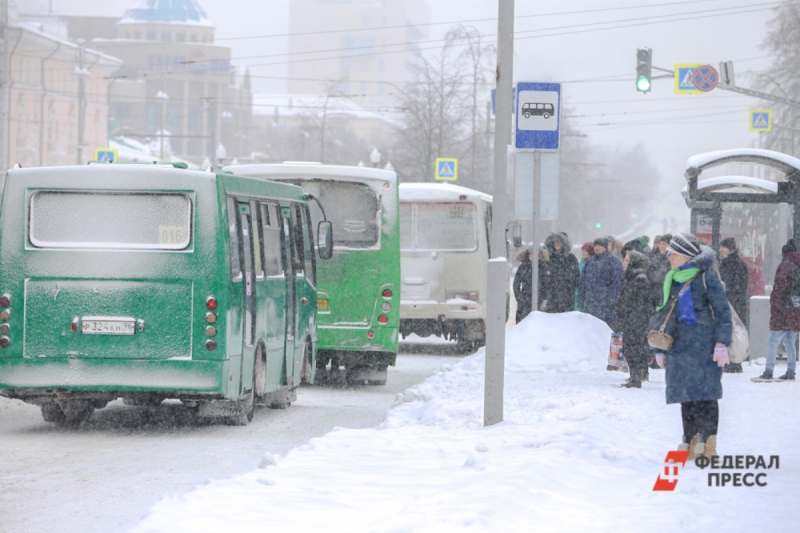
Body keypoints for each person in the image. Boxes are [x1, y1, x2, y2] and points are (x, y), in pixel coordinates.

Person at [653, 233, 732, 459]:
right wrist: (659, 348)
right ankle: (690, 441)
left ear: (686, 256)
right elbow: (665, 315)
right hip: (679, 348)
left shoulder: (707, 278)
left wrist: (721, 342)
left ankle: (708, 445)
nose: (670, 257)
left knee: (706, 396)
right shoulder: (673, 278)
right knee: (685, 396)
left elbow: (722, 312)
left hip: (705, 347)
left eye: (674, 253)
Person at [751, 239, 800, 382]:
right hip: (796, 307)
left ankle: (768, 372)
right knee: (791, 340)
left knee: (772, 341)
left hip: (784, 309)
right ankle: (791, 372)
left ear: (784, 253)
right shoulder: (797, 264)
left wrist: (774, 302)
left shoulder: (785, 265)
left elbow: (779, 287)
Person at [617, 250, 659, 388]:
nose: (624, 263)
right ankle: (634, 376)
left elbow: (641, 303)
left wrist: (633, 317)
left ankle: (636, 378)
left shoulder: (640, 279)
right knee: (631, 347)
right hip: (632, 319)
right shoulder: (631, 277)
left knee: (634, 347)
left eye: (627, 260)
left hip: (636, 320)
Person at [577, 237, 623, 330]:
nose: (596, 248)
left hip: (607, 307)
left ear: (605, 247)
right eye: (595, 246)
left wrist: (612, 299)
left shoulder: (613, 262)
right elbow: (583, 281)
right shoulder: (590, 262)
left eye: (599, 246)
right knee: (593, 332)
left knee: (609, 332)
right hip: (591, 306)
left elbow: (617, 283)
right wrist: (581, 298)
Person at [719, 237, 749, 374]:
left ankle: (733, 362)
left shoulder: (731, 263)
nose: (720, 250)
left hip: (732, 303)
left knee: (733, 332)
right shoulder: (734, 262)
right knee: (733, 332)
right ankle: (733, 361)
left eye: (723, 247)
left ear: (729, 248)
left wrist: (727, 295)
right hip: (735, 302)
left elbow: (733, 284)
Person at [541, 232, 580, 313]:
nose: (557, 244)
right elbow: (543, 277)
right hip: (551, 298)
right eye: (555, 241)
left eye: (559, 241)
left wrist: (569, 286)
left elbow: (577, 277)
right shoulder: (548, 258)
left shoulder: (571, 258)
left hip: (567, 297)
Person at [513, 247, 533, 324]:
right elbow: (516, 284)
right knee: (522, 325)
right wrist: (520, 299)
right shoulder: (523, 267)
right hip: (525, 301)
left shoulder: (542, 266)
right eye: (531, 253)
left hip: (538, 301)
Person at [576, 242, 594, 310]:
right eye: (582, 251)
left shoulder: (592, 263)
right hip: (579, 290)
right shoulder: (581, 262)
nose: (583, 253)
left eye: (585, 251)